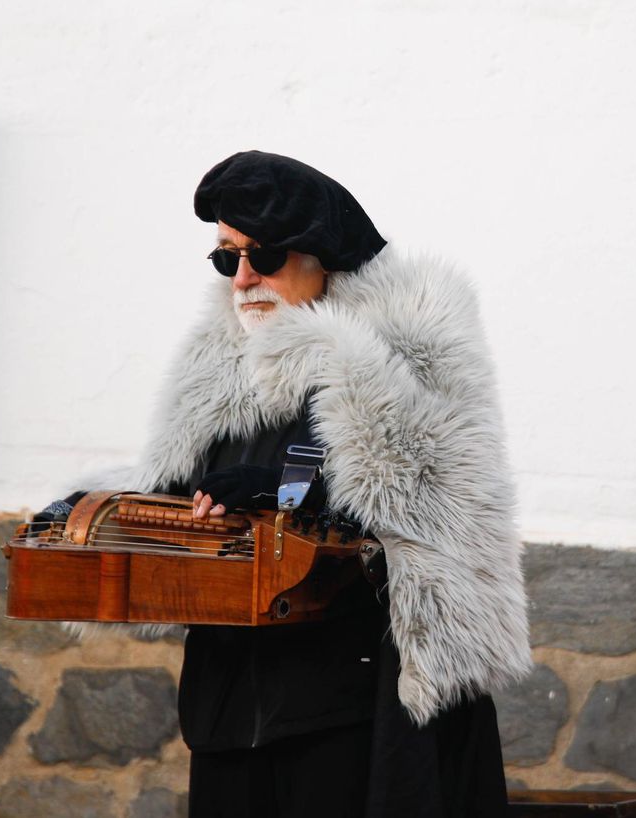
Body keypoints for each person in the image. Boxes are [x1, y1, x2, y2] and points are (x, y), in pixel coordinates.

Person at [37, 150, 531, 818]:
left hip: (348, 714)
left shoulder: (405, 349)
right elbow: (177, 490)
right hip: (230, 712)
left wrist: (297, 490)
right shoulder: (217, 368)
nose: (242, 279)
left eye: (263, 258)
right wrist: (107, 505)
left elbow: (443, 502)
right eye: (225, 257)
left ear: (322, 257)